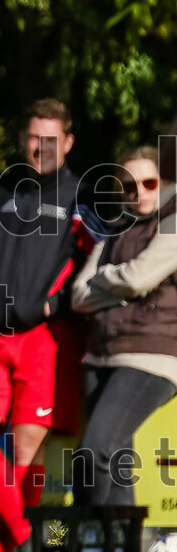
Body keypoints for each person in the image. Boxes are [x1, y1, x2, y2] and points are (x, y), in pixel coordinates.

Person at [0, 98, 103, 552]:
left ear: (69, 142)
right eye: (35, 137)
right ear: (23, 139)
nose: (42, 147)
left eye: (52, 139)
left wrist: (50, 307)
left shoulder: (82, 195)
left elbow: (94, 262)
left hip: (47, 340)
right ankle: (31, 547)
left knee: (26, 459)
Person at [71, 146, 177, 505]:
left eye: (149, 183)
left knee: (94, 452)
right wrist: (119, 284)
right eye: (128, 187)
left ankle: (87, 545)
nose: (140, 193)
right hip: (101, 356)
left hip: (152, 357)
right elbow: (78, 297)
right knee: (114, 464)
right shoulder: (112, 231)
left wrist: (105, 279)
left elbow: (139, 279)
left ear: (163, 182)